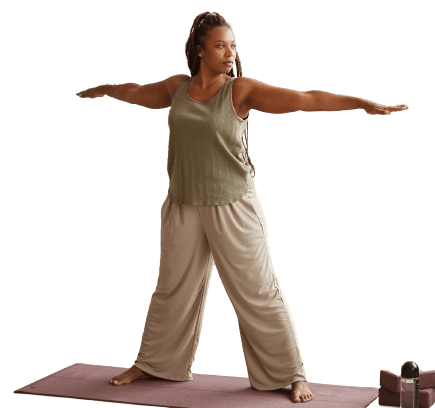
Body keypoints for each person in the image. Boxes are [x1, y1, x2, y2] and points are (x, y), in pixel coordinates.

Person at [76, 11, 409, 404]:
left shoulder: (240, 91)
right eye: (220, 45)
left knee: (258, 291)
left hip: (233, 204)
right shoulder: (175, 88)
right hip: (183, 203)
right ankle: (154, 363)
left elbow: (305, 100)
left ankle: (291, 374)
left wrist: (358, 103)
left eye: (233, 46)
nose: (230, 53)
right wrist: (102, 89)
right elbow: (133, 91)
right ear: (199, 49)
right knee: (172, 288)